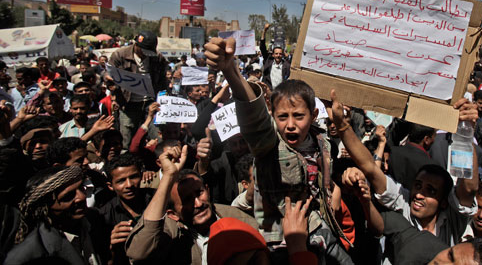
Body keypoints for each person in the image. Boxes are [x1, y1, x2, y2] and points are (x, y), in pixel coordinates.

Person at [205, 37, 352, 263]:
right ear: (273, 115)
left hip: (319, 228)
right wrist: (231, 71)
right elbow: (255, 119)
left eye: (298, 116)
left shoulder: (321, 141)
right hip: (280, 240)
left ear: (313, 116)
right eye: (282, 116)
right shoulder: (269, 144)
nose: (290, 124)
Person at [331, 88, 479, 246]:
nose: (420, 195)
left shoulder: (452, 223)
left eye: (431, 191)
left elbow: (469, 189)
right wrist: (342, 125)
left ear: (443, 202)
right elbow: (370, 168)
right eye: (418, 186)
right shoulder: (404, 205)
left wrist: (465, 131)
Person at [125, 144, 257, 264]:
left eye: (199, 193)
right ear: (172, 214)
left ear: (208, 190)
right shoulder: (170, 232)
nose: (198, 204)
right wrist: (168, 176)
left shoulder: (237, 219)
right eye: (186, 200)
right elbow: (138, 253)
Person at [5, 166, 108, 264]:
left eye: (81, 188)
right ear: (45, 206)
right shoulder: (32, 253)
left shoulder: (97, 220)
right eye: (68, 196)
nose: (81, 197)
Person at [109, 31, 168, 148]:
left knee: (157, 138)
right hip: (128, 104)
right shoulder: (120, 55)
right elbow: (108, 73)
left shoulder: (158, 58)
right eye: (143, 51)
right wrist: (110, 80)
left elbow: (162, 82)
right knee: (126, 140)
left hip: (151, 103)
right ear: (136, 45)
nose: (145, 55)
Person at [99, 153, 153, 265]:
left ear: (142, 176)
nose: (129, 185)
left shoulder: (155, 200)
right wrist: (113, 248)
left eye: (133, 177)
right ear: (110, 186)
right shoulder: (104, 216)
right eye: (121, 181)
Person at [260, 23, 290, 90]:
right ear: (273, 54)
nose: (278, 56)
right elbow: (262, 47)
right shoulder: (268, 61)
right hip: (268, 93)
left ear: (282, 54)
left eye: (280, 54)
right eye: (276, 54)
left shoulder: (286, 65)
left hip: (280, 94)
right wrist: (264, 30)